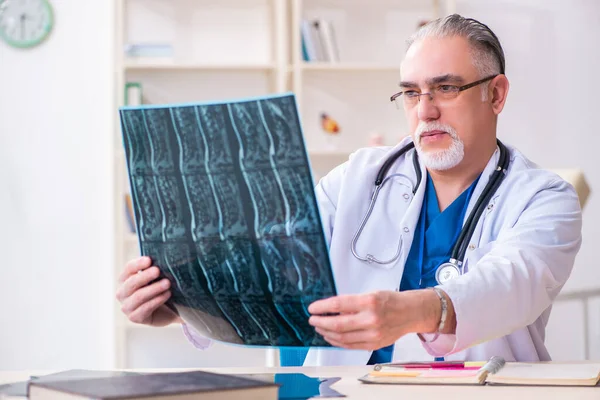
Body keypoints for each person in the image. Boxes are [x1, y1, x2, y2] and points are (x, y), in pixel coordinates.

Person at [115, 14, 582, 365]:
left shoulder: (544, 198)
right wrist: (182, 304)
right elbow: (275, 265)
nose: (425, 111)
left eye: (445, 88)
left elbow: (510, 284)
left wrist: (416, 310)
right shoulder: (360, 177)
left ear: (496, 94)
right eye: (411, 92)